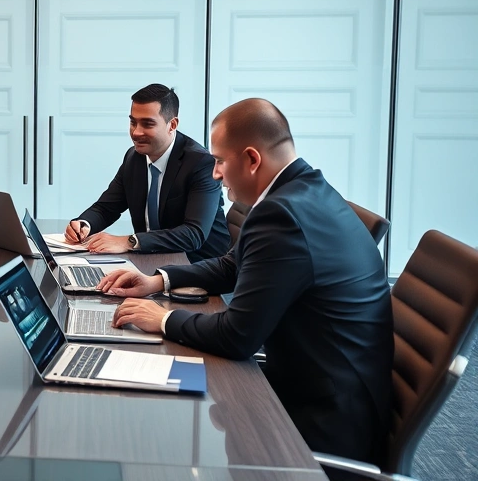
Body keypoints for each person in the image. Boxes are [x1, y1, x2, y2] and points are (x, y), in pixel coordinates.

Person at [101, 98, 393, 466]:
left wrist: (161, 318)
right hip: (327, 384)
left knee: (160, 431)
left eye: (220, 161)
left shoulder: (282, 215)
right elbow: (232, 266)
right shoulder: (304, 190)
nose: (215, 174)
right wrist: (157, 281)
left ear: (252, 159)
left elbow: (236, 337)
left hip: (324, 419)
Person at [64, 84, 229, 262]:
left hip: (198, 265)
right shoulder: (134, 158)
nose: (136, 132)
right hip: (151, 260)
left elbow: (193, 234)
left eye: (147, 124)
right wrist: (84, 224)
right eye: (133, 122)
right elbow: (106, 208)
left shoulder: (201, 163)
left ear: (172, 125)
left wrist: (129, 241)